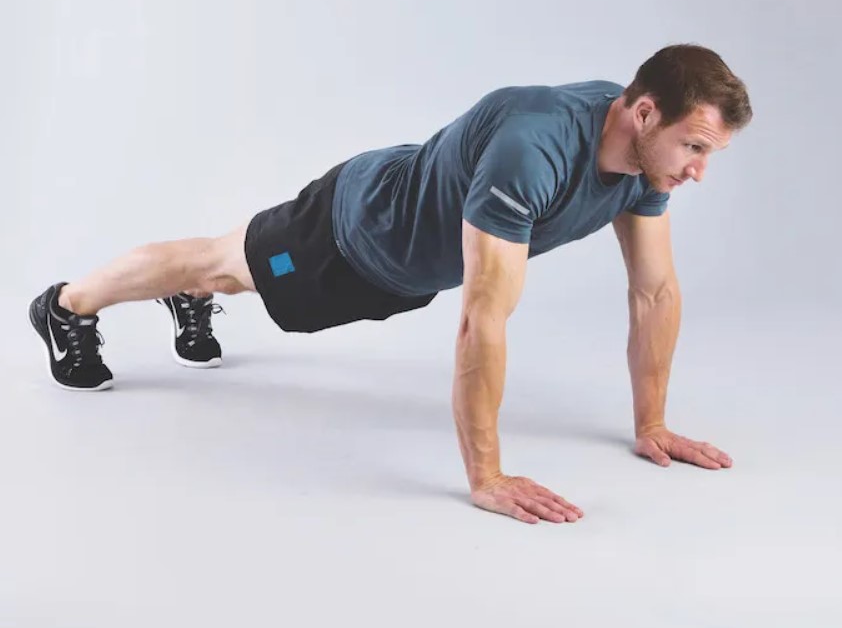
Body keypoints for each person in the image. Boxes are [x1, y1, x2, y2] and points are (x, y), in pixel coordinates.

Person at [29, 43, 752, 524]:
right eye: (694, 147)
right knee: (223, 263)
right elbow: (483, 319)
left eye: (707, 152)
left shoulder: (643, 165)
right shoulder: (534, 148)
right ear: (645, 111)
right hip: (346, 234)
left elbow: (654, 291)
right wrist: (488, 476)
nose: (698, 171)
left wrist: (651, 425)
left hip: (403, 269)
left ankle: (186, 297)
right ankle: (66, 304)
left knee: (233, 276)